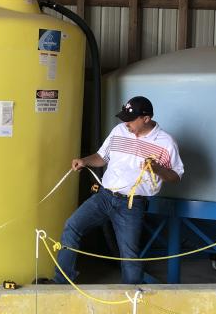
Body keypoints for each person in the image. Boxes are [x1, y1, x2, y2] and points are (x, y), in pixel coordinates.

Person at [53, 96, 184, 285]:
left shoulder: (165, 143)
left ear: (146, 119)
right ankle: (62, 283)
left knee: (129, 254)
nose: (126, 123)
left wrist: (157, 169)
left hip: (132, 203)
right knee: (72, 227)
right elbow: (101, 157)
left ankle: (131, 299)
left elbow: (176, 176)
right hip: (104, 196)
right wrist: (84, 161)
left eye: (130, 120)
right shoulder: (119, 131)